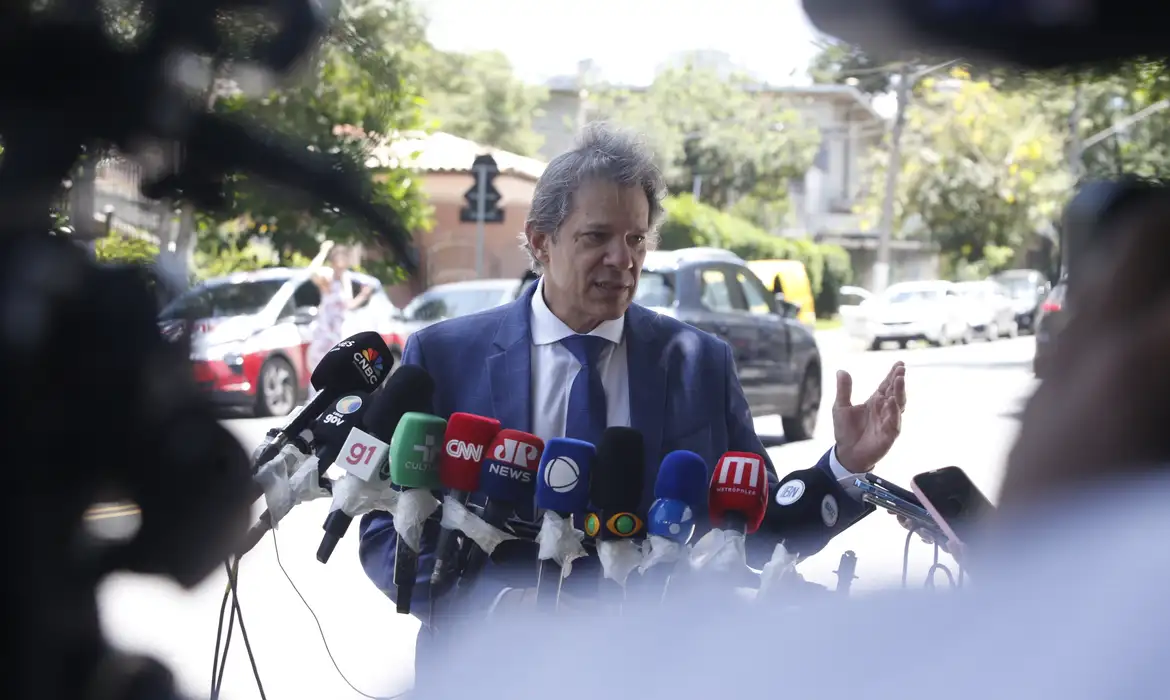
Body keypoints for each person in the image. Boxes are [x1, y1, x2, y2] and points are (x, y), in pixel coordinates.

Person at [357, 122, 907, 680]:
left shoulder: (700, 363)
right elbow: (387, 530)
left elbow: (750, 535)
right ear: (541, 241)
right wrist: (501, 609)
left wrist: (844, 467)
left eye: (636, 239)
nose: (623, 259)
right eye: (597, 237)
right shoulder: (446, 356)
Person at [305, 243, 371, 397]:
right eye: (338, 259)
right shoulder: (327, 278)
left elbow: (348, 305)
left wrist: (363, 296)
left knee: (339, 369)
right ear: (333, 262)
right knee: (320, 368)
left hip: (339, 332)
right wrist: (323, 251)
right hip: (325, 333)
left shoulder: (345, 279)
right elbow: (311, 272)